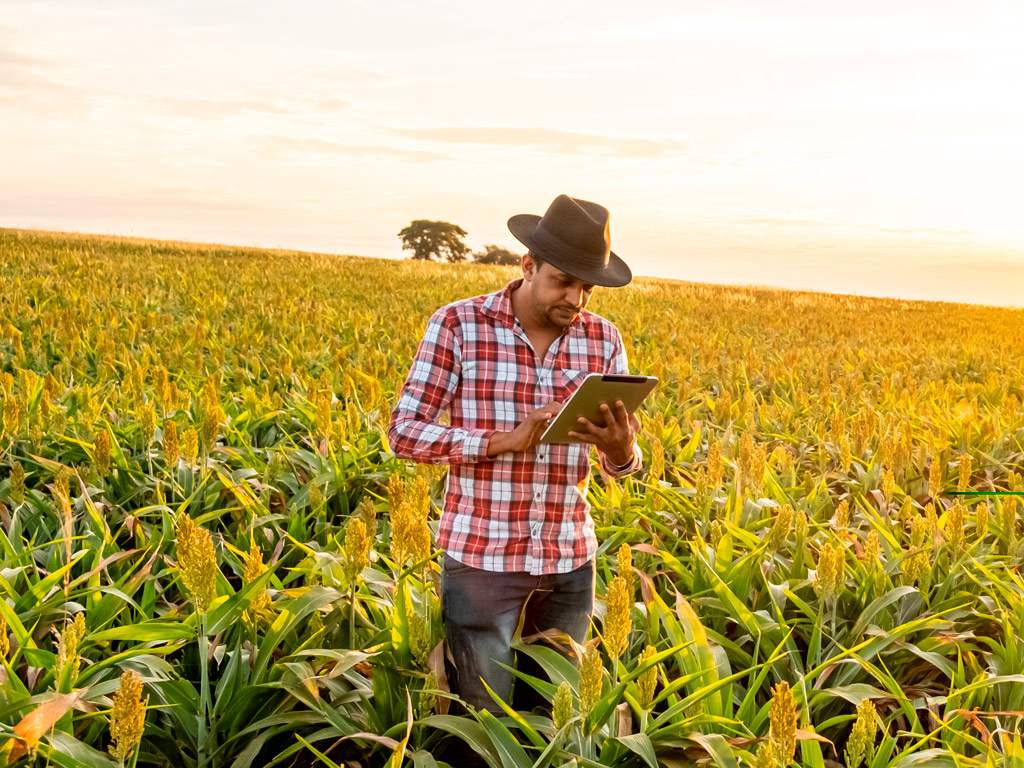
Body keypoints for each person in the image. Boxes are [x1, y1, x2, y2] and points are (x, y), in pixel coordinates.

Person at [387, 194, 644, 712]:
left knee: (555, 716)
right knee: (484, 721)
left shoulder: (603, 340)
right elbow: (403, 433)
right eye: (563, 282)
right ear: (528, 266)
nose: (577, 299)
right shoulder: (459, 326)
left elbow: (622, 469)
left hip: (570, 557)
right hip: (484, 558)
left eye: (587, 287)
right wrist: (499, 441)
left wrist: (623, 450)